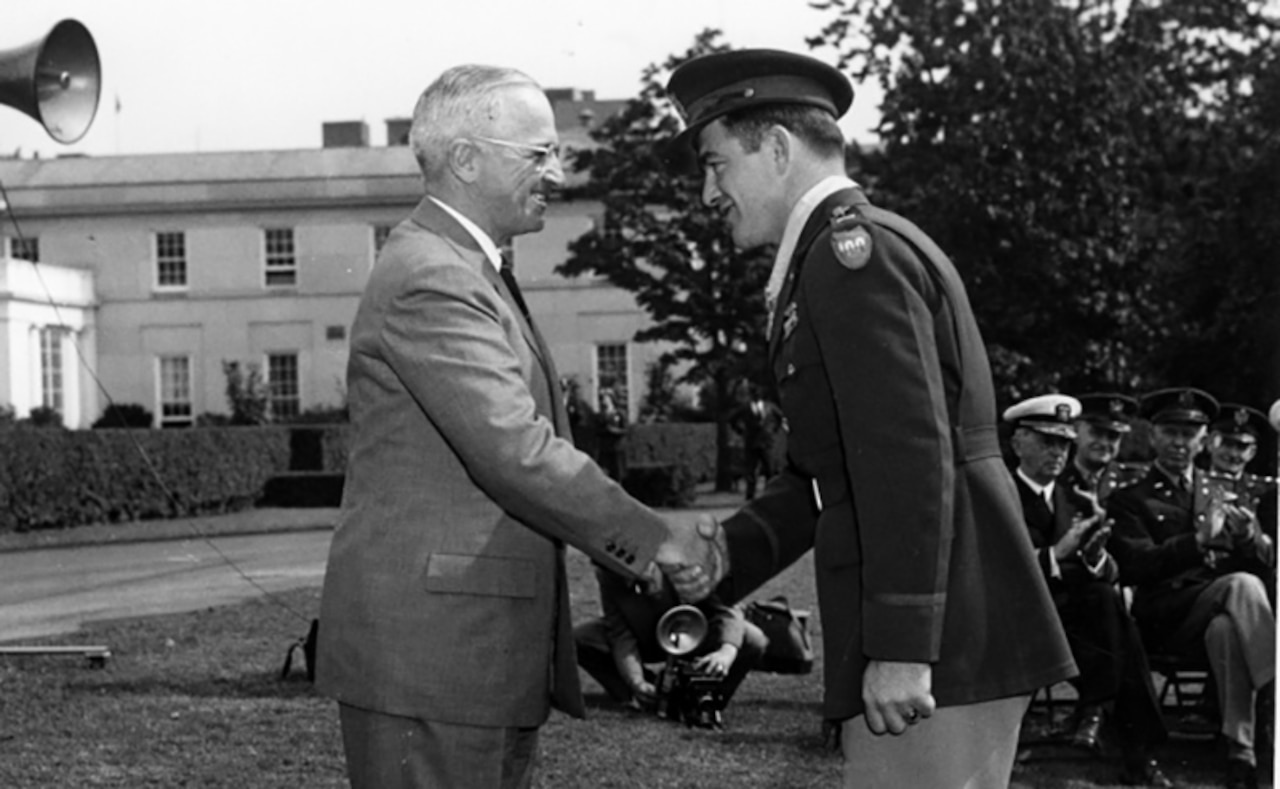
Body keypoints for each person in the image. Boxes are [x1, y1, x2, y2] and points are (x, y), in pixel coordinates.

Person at [662, 48, 1076, 789]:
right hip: (949, 624)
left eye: (716, 163)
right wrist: (731, 550)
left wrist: (905, 646)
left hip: (942, 641)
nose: (707, 191)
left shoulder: (853, 256)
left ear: (779, 149)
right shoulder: (834, 255)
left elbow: (908, 459)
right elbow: (831, 471)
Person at [314, 64, 714, 789]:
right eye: (539, 155)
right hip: (436, 662)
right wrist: (654, 538)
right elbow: (516, 452)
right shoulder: (433, 275)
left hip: (469, 658)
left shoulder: (470, 267)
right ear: (466, 158)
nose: (556, 173)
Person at [1108, 387, 1276, 789]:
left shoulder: (1220, 491)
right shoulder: (1130, 499)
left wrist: (1250, 539)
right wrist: (1196, 543)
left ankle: (1241, 752)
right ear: (1152, 436)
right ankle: (1276, 691)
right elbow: (1136, 567)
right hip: (1164, 616)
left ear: (1203, 440)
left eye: (1189, 434)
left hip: (1216, 614)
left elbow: (1251, 566)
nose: (1179, 443)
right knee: (1241, 585)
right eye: (1170, 432)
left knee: (1226, 629)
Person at [1003, 394, 1171, 787]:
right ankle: (1131, 743)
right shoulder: (1001, 495)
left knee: (1107, 604)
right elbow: (997, 569)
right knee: (1113, 623)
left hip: (1071, 625)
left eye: (1063, 442)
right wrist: (1055, 555)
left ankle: (1102, 712)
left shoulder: (1074, 499)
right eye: (1046, 441)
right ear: (1017, 444)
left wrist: (1096, 557)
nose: (1056, 452)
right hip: (1012, 619)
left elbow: (1106, 571)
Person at [573, 564, 767, 729]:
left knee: (753, 639)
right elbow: (620, 633)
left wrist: (726, 651)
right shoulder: (608, 576)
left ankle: (708, 698)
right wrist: (636, 681)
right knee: (580, 638)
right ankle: (646, 696)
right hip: (647, 636)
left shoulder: (682, 560)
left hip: (697, 632)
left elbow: (727, 608)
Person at [1060, 392, 1143, 503]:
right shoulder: (1057, 482)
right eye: (1096, 433)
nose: (1104, 443)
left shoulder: (1137, 483)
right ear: (1076, 431)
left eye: (1113, 436)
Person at [1206, 403, 1278, 515]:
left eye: (1242, 447)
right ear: (1210, 443)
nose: (1233, 454)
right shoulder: (1191, 486)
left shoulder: (1265, 492)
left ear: (1252, 452)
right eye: (1227, 443)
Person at [730, 383, 782, 499]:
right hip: (751, 442)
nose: (756, 396)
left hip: (767, 442)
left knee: (770, 469)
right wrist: (741, 431)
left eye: (758, 394)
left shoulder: (770, 407)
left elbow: (780, 418)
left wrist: (773, 430)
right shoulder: (745, 407)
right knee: (751, 470)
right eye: (754, 394)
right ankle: (750, 495)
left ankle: (770, 493)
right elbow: (732, 420)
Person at [595, 388, 627, 480]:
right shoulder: (600, 416)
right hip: (605, 449)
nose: (604, 401)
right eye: (602, 399)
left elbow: (625, 429)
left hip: (616, 449)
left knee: (617, 475)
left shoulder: (619, 414)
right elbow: (597, 431)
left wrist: (614, 430)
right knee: (604, 475)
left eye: (606, 399)